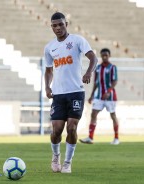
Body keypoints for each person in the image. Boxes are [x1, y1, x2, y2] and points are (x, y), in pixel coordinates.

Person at [44, 12, 98, 173]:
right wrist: (47, 86)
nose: (58, 28)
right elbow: (48, 70)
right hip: (59, 94)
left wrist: (88, 72)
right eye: (55, 25)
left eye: (61, 24)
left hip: (76, 92)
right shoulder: (49, 47)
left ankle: (67, 162)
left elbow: (93, 58)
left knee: (72, 128)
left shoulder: (77, 40)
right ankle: (56, 157)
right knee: (56, 130)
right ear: (51, 27)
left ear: (66, 24)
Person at [79, 48, 119, 145]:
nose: (105, 57)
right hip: (99, 96)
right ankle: (90, 137)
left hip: (110, 97)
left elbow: (115, 81)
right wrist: (92, 95)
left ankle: (116, 138)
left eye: (106, 55)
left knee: (113, 115)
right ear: (101, 56)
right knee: (93, 114)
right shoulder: (98, 68)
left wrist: (108, 91)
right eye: (103, 55)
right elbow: (96, 83)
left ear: (109, 56)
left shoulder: (113, 67)